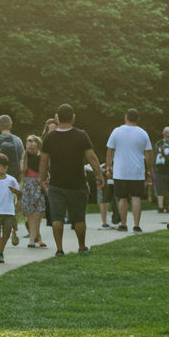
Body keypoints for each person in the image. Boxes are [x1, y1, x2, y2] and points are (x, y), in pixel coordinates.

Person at [40, 104, 105, 256]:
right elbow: (92, 157)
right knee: (79, 218)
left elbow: (43, 161)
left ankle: (59, 249)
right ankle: (81, 247)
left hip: (56, 184)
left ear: (57, 118)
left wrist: (42, 179)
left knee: (57, 218)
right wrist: (99, 175)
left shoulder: (50, 137)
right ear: (73, 118)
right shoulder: (81, 135)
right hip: (77, 184)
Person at [106, 109, 154, 232]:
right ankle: (136, 225)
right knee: (136, 197)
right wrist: (150, 169)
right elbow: (148, 153)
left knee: (122, 198)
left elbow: (110, 150)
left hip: (120, 171)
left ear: (126, 117)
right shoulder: (143, 133)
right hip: (137, 171)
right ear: (138, 118)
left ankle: (123, 224)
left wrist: (108, 167)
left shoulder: (117, 131)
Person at [0, 115, 27, 245]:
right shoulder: (17, 140)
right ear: (10, 125)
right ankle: (12, 228)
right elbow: (22, 159)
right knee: (11, 203)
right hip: (13, 177)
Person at [20, 134, 48, 248]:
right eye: (29, 144)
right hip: (27, 185)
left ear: (38, 146)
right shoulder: (25, 156)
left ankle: (34, 238)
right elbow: (22, 170)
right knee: (31, 214)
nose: (31, 147)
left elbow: (45, 171)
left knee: (38, 213)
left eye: (33, 146)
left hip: (38, 185)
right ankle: (34, 238)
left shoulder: (42, 157)